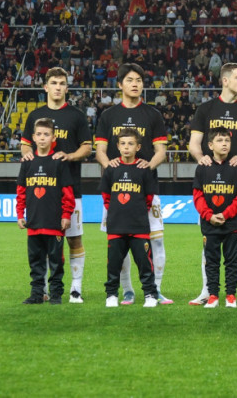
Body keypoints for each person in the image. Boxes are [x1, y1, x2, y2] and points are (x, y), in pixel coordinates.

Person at [188, 63, 237, 306]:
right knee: (209, 239)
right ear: (225, 80)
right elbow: (194, 142)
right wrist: (200, 157)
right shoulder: (206, 109)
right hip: (211, 185)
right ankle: (207, 290)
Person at [95, 63, 169, 304]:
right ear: (120, 84)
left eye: (138, 80)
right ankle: (127, 290)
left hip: (146, 187)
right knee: (119, 242)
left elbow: (161, 151)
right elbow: (100, 150)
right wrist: (111, 168)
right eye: (129, 80)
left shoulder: (153, 115)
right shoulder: (108, 116)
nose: (135, 84)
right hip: (117, 189)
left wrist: (147, 166)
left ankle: (156, 289)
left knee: (156, 239)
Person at [20, 67, 92, 304]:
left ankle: (75, 289)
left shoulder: (76, 116)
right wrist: (28, 154)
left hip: (70, 188)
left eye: (62, 83)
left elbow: (87, 147)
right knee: (41, 242)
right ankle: (40, 290)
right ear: (45, 87)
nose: (58, 87)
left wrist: (69, 156)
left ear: (67, 88)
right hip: (41, 191)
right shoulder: (35, 115)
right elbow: (25, 144)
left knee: (74, 238)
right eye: (54, 83)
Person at [16, 118, 74, 305]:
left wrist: (66, 215)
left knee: (56, 261)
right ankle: (37, 294)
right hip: (34, 222)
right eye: (39, 134)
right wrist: (20, 214)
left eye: (46, 134)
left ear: (53, 138)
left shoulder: (59, 162)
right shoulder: (27, 162)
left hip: (54, 222)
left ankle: (56, 294)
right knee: (35, 261)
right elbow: (21, 192)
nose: (42, 138)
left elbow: (67, 192)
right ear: (33, 137)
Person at [99, 129, 159, 308]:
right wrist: (116, 211)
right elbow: (106, 196)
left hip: (139, 226)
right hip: (116, 226)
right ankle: (111, 295)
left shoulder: (144, 169)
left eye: (131, 144)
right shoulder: (111, 169)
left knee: (145, 263)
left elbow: (148, 198)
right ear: (118, 146)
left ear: (138, 147)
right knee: (113, 264)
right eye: (123, 143)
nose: (126, 147)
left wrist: (137, 211)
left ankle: (150, 294)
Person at [191, 128, 237, 308]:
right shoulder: (203, 168)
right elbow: (198, 196)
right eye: (219, 140)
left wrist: (225, 214)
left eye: (227, 141)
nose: (224, 144)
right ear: (210, 145)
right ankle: (213, 295)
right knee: (212, 262)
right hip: (210, 224)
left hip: (232, 223)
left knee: (231, 262)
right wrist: (209, 216)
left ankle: (231, 295)